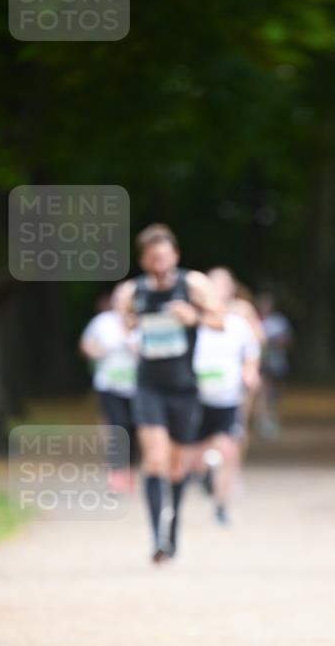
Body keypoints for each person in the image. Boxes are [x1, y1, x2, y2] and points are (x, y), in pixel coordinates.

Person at [114, 224, 224, 563]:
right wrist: (130, 328)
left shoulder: (193, 284)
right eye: (152, 257)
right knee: (155, 458)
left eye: (164, 256)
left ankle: (172, 530)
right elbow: (123, 324)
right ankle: (156, 538)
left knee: (177, 467)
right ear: (143, 260)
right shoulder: (132, 290)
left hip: (184, 388)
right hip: (149, 386)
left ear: (175, 255)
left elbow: (220, 320)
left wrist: (194, 316)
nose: (159, 262)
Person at [191, 268, 262, 525]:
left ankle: (221, 505)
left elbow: (253, 351)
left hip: (228, 397)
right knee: (195, 455)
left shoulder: (240, 320)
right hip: (196, 397)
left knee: (228, 448)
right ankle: (203, 474)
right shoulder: (191, 319)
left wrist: (250, 373)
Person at [79, 292, 139, 493]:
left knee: (133, 428)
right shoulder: (103, 322)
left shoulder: (142, 320)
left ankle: (129, 470)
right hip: (109, 384)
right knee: (118, 426)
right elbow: (86, 344)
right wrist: (96, 352)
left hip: (136, 386)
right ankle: (116, 473)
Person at [255, 292, 293, 439]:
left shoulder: (279, 321)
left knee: (275, 393)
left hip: (277, 363)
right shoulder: (253, 319)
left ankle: (271, 416)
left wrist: (276, 341)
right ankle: (264, 421)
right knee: (263, 391)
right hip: (260, 363)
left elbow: (288, 340)